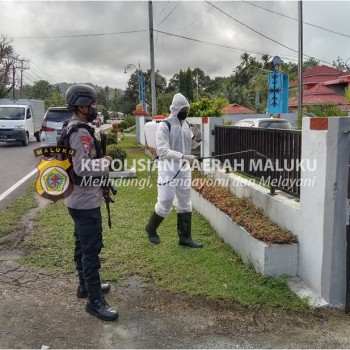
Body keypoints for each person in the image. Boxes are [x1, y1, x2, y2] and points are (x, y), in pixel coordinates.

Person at [63, 84, 118, 321]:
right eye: (92, 103)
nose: (95, 108)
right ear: (81, 105)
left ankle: (85, 286)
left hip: (77, 198)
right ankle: (95, 301)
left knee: (81, 244)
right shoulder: (81, 132)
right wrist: (105, 161)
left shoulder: (71, 127)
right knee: (91, 250)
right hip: (85, 201)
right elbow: (82, 167)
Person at [145, 93, 203, 248]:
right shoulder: (165, 125)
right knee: (166, 200)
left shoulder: (186, 124)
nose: (186, 112)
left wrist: (197, 138)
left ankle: (185, 238)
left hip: (184, 169)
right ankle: (151, 228)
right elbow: (163, 151)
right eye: (184, 109)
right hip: (168, 169)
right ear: (176, 108)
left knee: (185, 201)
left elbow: (189, 146)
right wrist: (184, 156)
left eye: (187, 109)